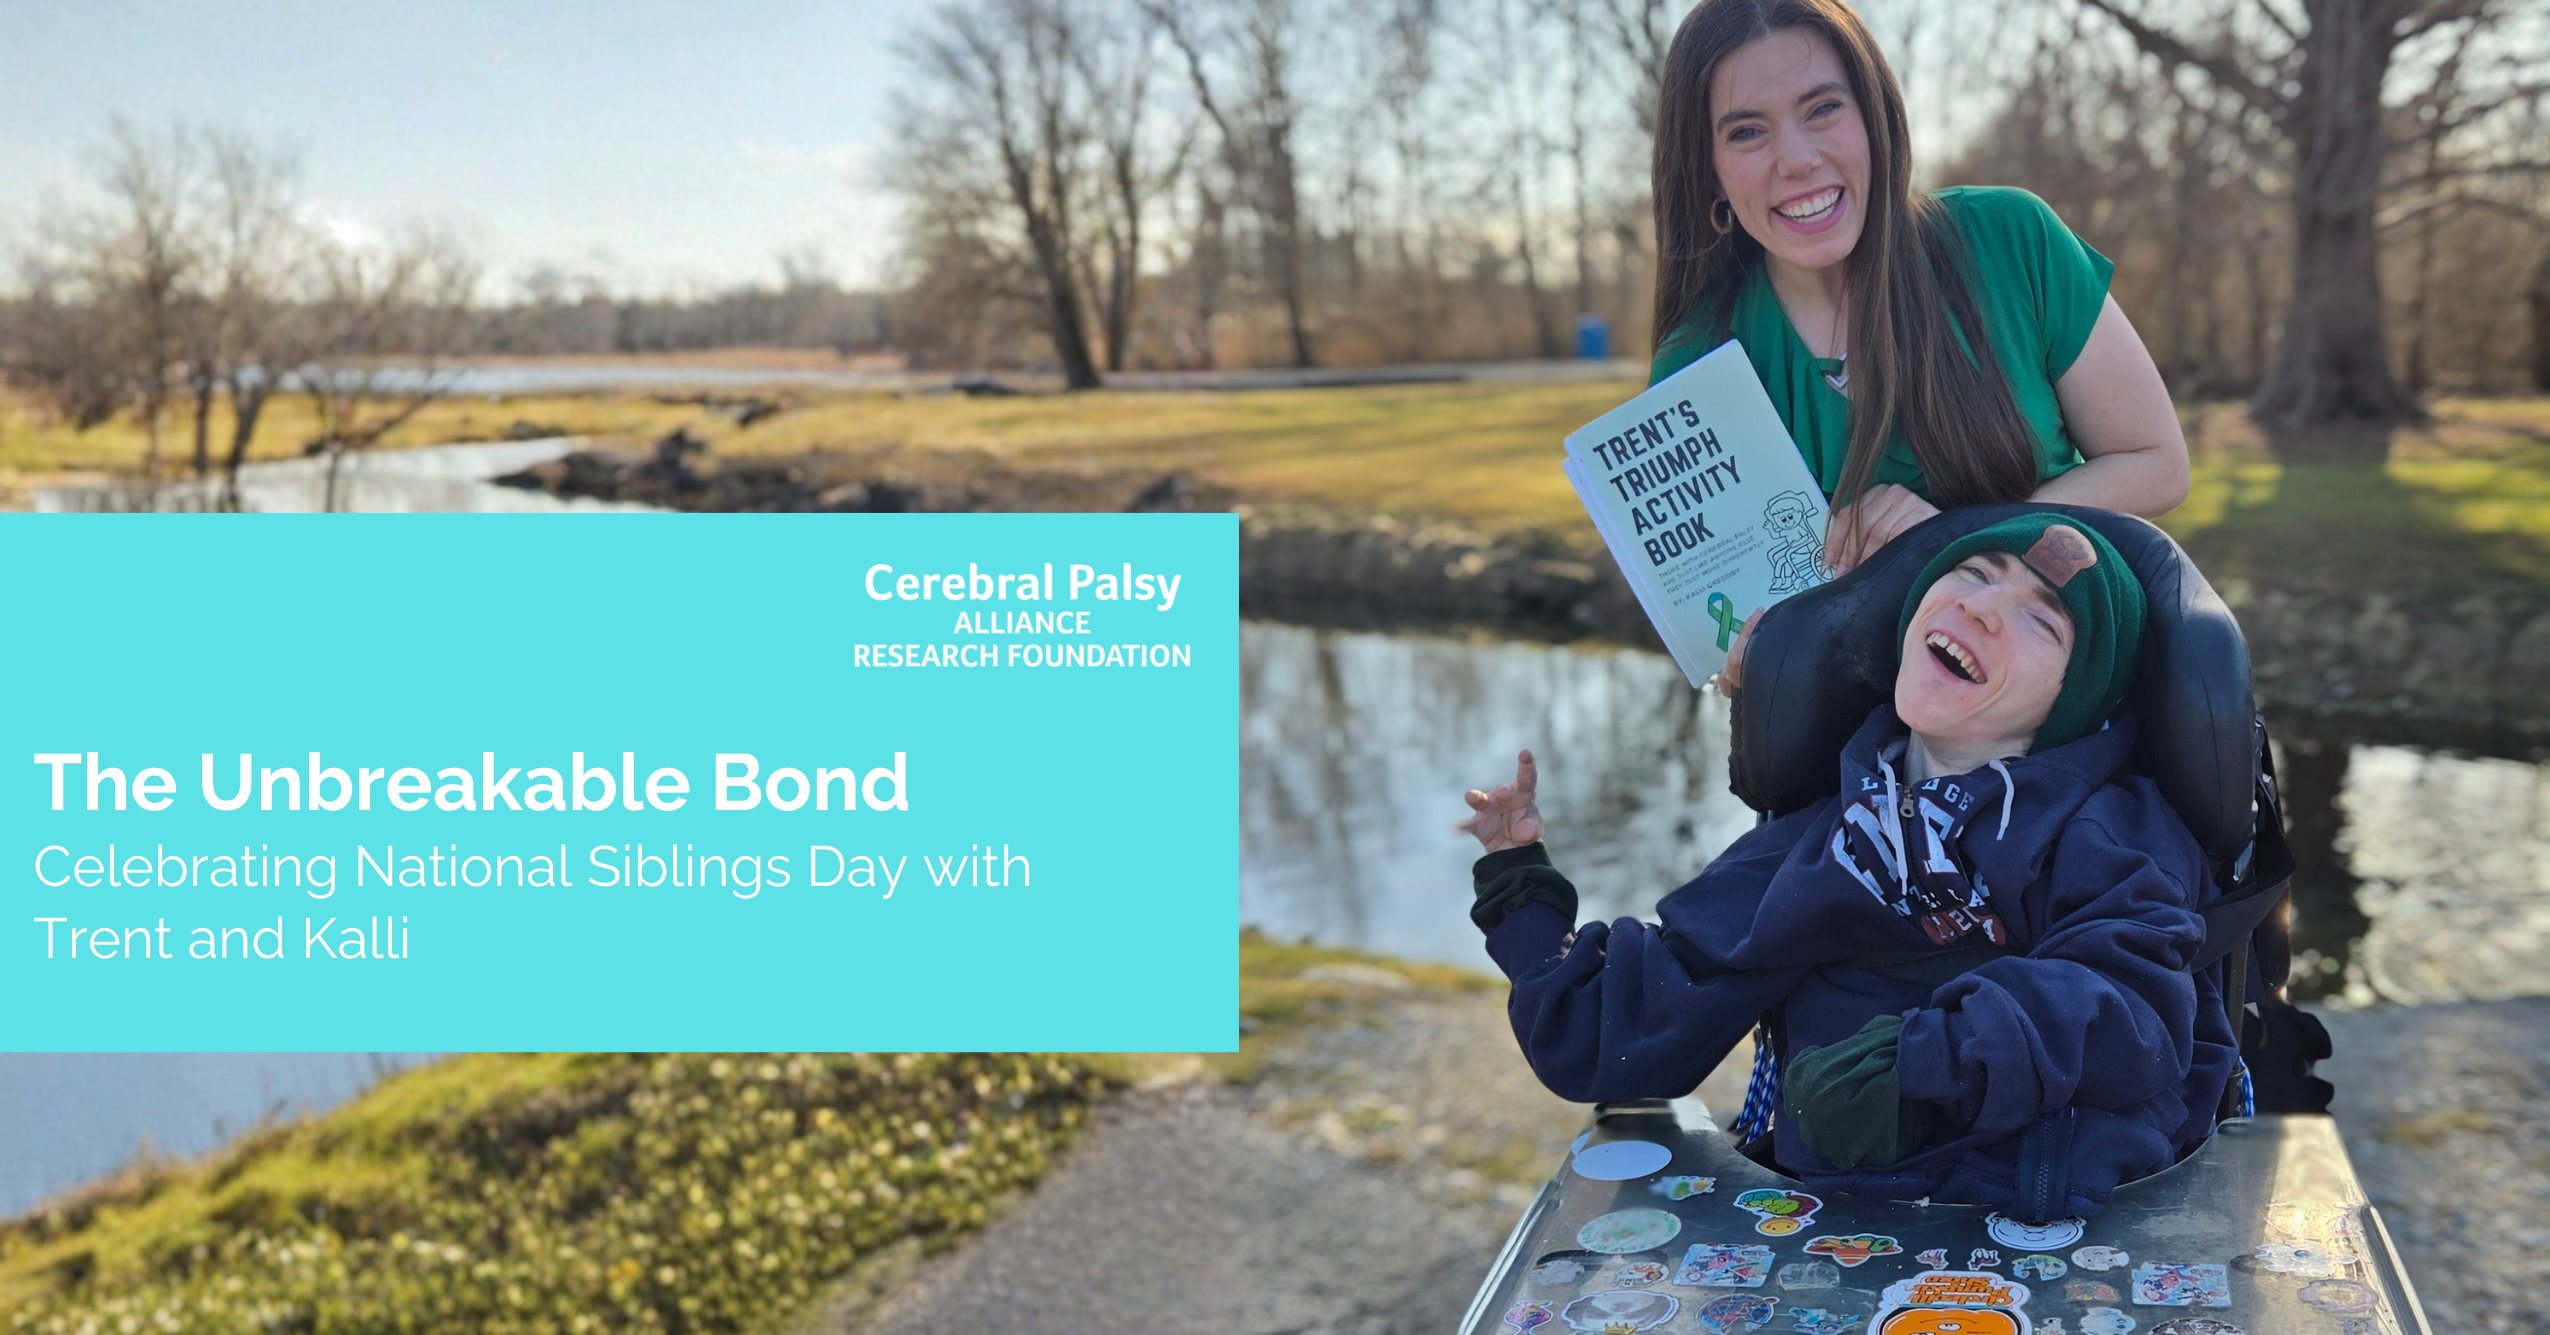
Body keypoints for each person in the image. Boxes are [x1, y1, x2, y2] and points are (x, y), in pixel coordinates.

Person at [1455, 515, 2236, 1220]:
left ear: (2075, 701)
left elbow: (2135, 1002)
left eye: (2041, 620)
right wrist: (1521, 888)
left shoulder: (2112, 826)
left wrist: (1930, 1068)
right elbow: (1616, 1028)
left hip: (2054, 1226)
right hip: (1833, 1231)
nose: (1982, 606)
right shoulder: (1815, 842)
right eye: (1973, 572)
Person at [1648, 0, 2188, 688]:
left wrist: (1950, 540)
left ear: (1875, 115)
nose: (1798, 159)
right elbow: (1732, 643)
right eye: (1748, 132)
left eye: (1823, 109)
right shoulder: (1696, 364)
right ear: (1709, 168)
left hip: (2072, 719)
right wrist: (1745, 667)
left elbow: (2158, 463)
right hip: (1854, 759)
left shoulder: (2011, 238)